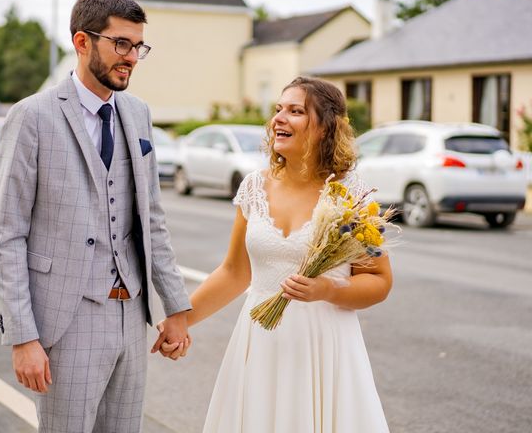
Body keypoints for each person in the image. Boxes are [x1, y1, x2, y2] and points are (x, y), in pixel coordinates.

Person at [0, 0, 191, 433]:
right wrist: (23, 336)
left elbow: (152, 219)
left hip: (131, 315)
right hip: (67, 318)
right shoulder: (32, 116)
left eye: (138, 46)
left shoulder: (138, 114)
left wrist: (176, 309)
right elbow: (7, 235)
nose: (132, 57)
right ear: (82, 42)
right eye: (121, 44)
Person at [157, 77, 393, 432]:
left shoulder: (352, 196)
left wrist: (328, 291)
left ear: (326, 128)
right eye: (278, 109)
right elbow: (235, 272)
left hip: (323, 348)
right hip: (260, 344)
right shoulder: (254, 186)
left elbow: (379, 281)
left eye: (295, 111)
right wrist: (181, 321)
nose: (279, 119)